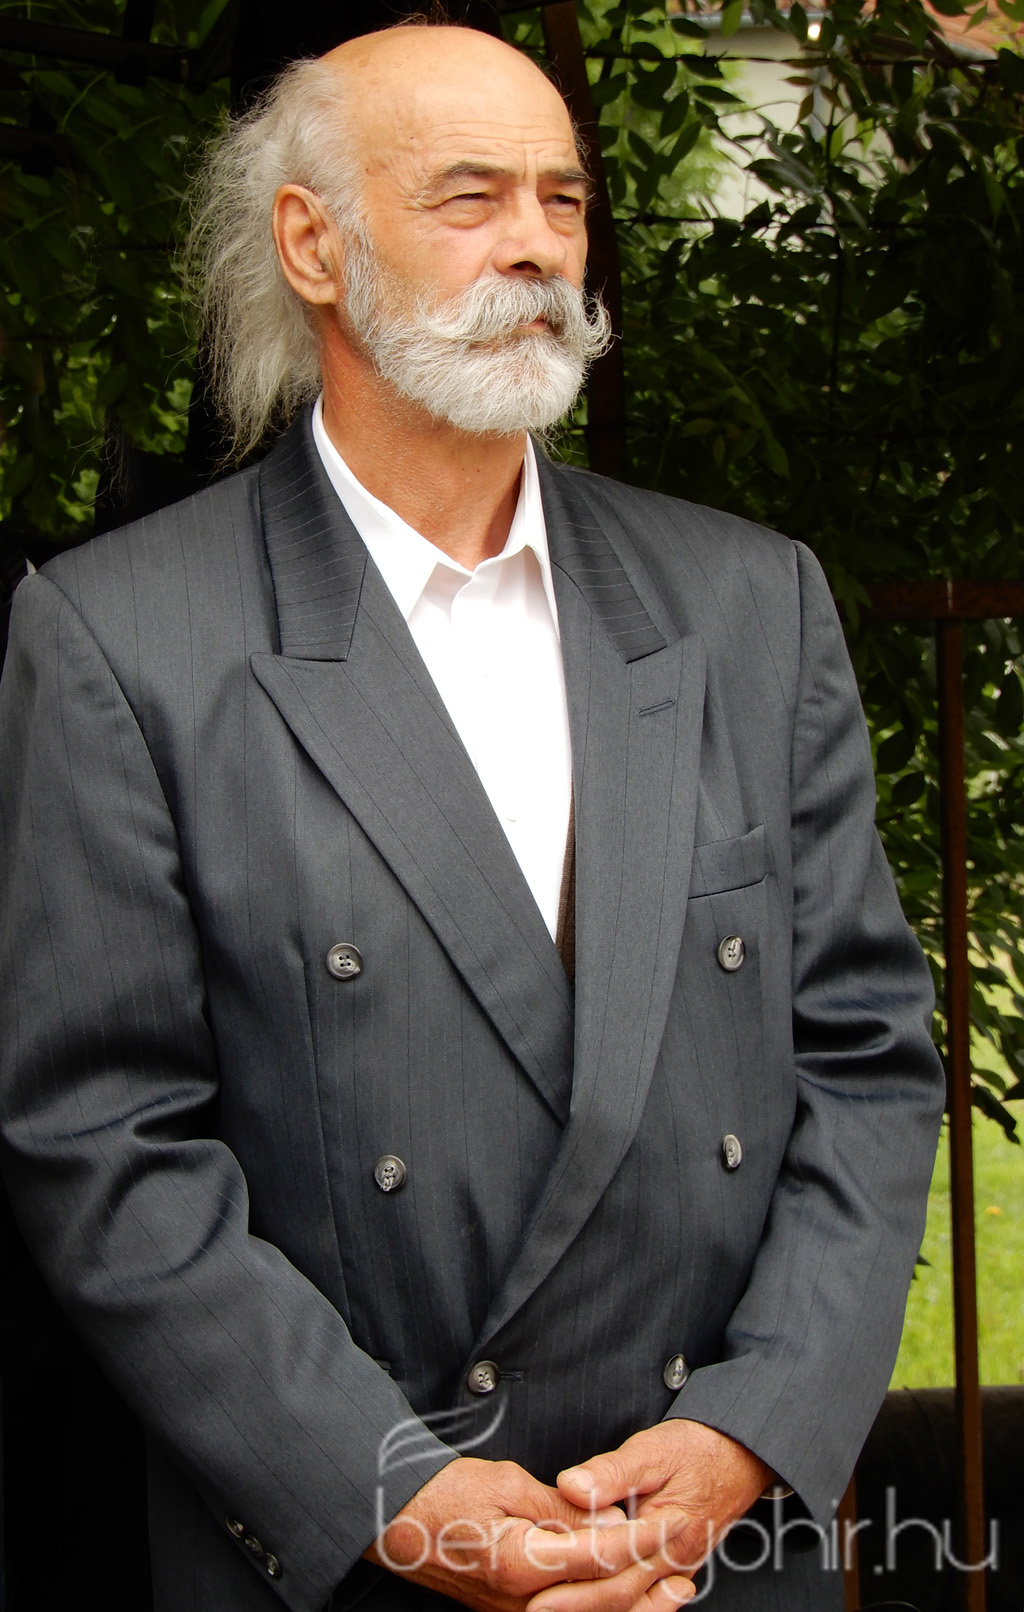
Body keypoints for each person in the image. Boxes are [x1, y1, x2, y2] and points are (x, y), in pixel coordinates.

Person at [0, 23, 943, 1612]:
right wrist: (385, 1488)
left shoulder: (748, 605)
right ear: (314, 245)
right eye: (470, 196)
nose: (536, 245)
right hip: (347, 1555)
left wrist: (753, 1428)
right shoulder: (121, 639)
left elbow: (866, 1058)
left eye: (562, 199)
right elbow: (105, 1139)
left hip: (710, 1556)